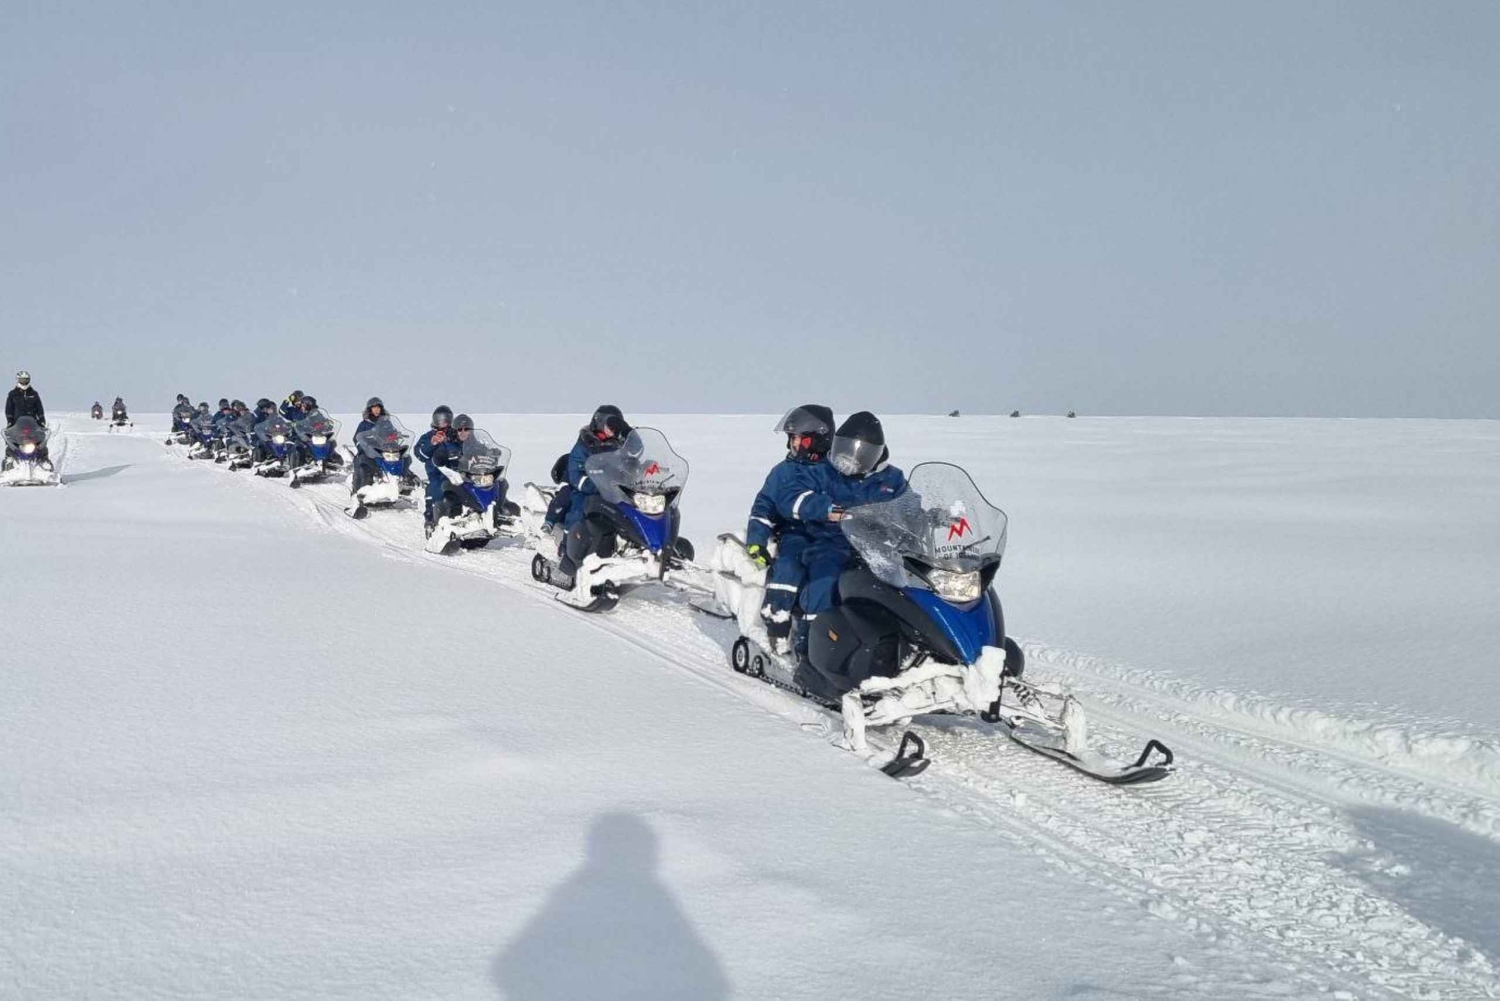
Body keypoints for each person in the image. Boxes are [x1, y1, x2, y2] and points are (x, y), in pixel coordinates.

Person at [796, 412, 906, 646]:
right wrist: (824, 508)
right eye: (845, 447)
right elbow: (803, 496)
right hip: (830, 542)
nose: (850, 457)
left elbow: (909, 504)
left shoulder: (892, 478)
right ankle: (807, 645)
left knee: (903, 592)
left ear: (873, 453)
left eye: (858, 451)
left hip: (877, 548)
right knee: (825, 582)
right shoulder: (824, 471)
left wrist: (928, 516)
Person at [741, 404, 836, 654]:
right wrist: (756, 540)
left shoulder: (839, 469)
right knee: (789, 566)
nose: (794, 444)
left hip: (835, 536)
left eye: (800, 438)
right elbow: (763, 508)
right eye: (792, 439)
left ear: (819, 439)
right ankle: (778, 623)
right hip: (797, 533)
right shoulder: (784, 472)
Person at [542, 405, 632, 536]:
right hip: (590, 489)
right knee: (580, 507)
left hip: (616, 490)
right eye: (611, 426)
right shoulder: (584, 446)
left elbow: (634, 455)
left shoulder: (620, 445)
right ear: (600, 423)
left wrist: (628, 433)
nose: (614, 430)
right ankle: (568, 543)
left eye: (617, 427)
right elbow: (576, 474)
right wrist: (593, 486)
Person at [350, 396, 413, 493]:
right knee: (362, 462)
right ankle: (360, 491)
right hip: (370, 450)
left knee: (405, 457)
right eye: (374, 407)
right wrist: (363, 446)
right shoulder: (364, 424)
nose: (376, 410)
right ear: (370, 409)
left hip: (386, 448)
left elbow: (393, 432)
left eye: (378, 407)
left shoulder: (386, 422)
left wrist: (395, 435)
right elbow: (356, 438)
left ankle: (405, 480)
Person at [414, 405, 455, 525]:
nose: (443, 422)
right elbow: (420, 454)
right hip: (436, 472)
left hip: (457, 470)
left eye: (446, 419)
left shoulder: (456, 435)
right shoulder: (427, 436)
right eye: (440, 420)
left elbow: (469, 445)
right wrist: (432, 443)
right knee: (436, 487)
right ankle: (431, 518)